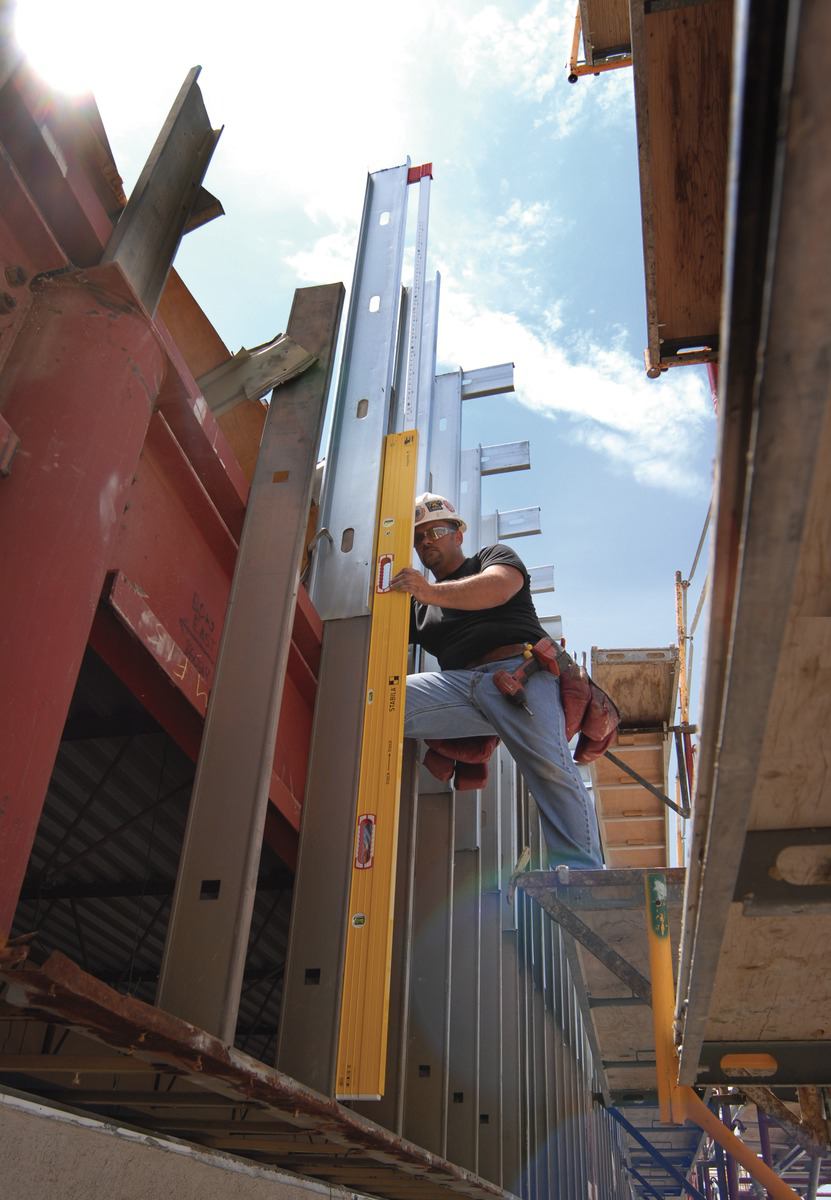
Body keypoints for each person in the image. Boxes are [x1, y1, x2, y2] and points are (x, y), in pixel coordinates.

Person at [389, 492, 603, 869]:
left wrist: (428, 591)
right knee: (385, 704)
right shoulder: (419, 608)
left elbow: (498, 588)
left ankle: (584, 875)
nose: (426, 541)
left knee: (550, 768)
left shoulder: (492, 557)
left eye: (435, 531)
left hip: (520, 677)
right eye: (419, 537)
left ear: (458, 535)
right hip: (461, 688)